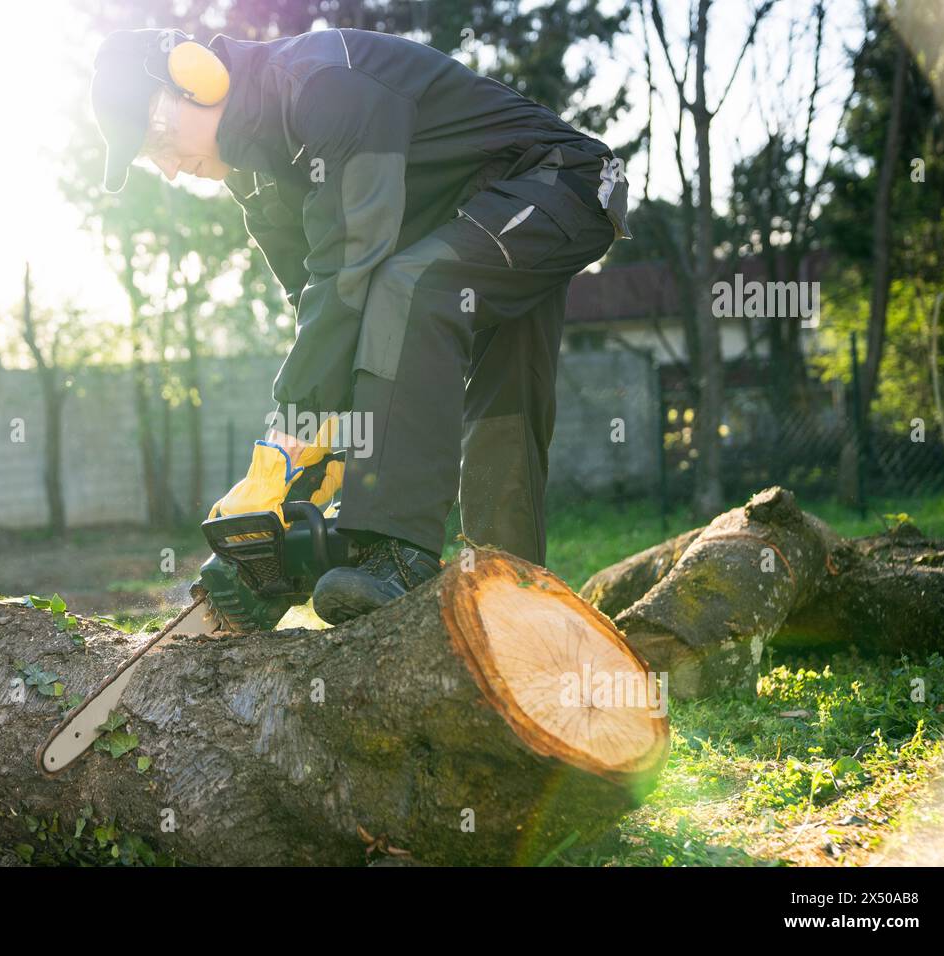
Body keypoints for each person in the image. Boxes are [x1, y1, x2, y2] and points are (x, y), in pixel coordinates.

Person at [90, 26, 630, 624]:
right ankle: (513, 605)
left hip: (559, 181)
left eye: (159, 137)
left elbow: (351, 267)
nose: (167, 169)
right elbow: (321, 309)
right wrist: (308, 464)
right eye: (150, 157)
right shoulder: (256, 178)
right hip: (467, 217)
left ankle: (398, 552)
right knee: (502, 404)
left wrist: (285, 437)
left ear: (196, 78)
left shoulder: (325, 85)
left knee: (414, 289)